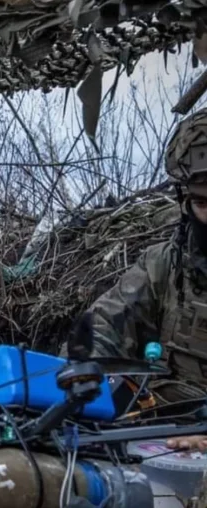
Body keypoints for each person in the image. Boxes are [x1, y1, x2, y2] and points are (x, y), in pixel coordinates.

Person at [60, 108, 207, 452]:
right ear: (184, 202)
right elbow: (103, 326)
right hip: (161, 432)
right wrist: (82, 379)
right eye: (202, 202)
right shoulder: (164, 265)